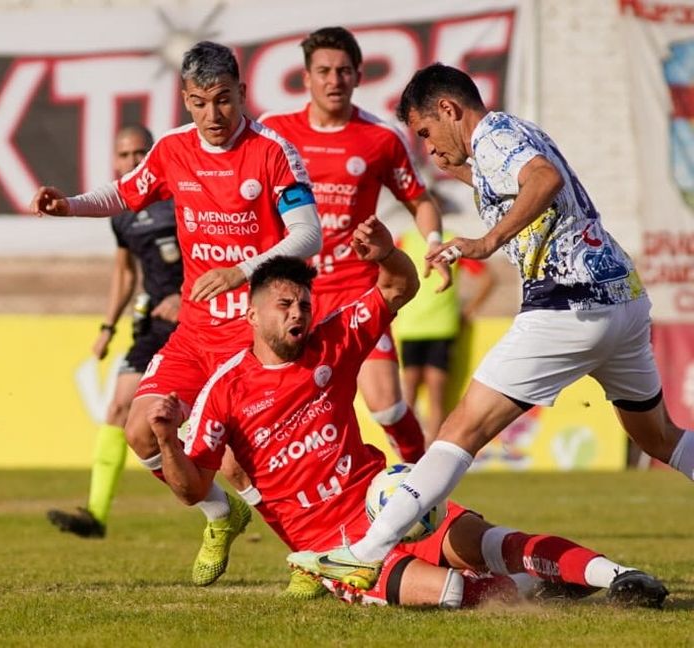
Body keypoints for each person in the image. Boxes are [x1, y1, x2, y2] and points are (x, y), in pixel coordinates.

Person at [288, 64, 689, 609]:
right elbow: (517, 179)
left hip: (568, 305)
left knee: (460, 430)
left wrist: (484, 241)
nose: (428, 144)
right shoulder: (506, 137)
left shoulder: (494, 135)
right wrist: (458, 170)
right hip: (621, 299)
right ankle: (370, 548)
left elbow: (542, 179)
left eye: (427, 131)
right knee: (659, 437)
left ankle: (367, 551)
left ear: (450, 110)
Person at [148, 234, 669, 608]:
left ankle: (620, 575)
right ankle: (536, 587)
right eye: (284, 304)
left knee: (492, 542)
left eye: (303, 303)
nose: (298, 314)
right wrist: (168, 440)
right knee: (452, 591)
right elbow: (192, 488)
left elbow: (398, 288)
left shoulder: (331, 338)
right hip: (335, 548)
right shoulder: (226, 389)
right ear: (253, 316)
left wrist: (388, 254)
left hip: (384, 496)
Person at [30, 41, 323, 585]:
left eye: (223, 100)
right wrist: (68, 204)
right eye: (198, 103)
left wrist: (242, 271)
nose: (212, 116)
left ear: (241, 92)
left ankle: (309, 553)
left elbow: (308, 234)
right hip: (194, 334)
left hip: (254, 336)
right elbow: (123, 194)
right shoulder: (172, 149)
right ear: (184, 100)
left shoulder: (273, 151)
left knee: (241, 459)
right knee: (140, 430)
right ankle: (221, 513)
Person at [260, 27, 447, 464]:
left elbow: (420, 201)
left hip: (356, 291)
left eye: (343, 71)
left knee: (385, 403)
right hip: (293, 295)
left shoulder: (380, 138)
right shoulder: (273, 133)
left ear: (359, 76)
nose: (334, 79)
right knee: (289, 410)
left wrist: (434, 242)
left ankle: (423, 487)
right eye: (323, 70)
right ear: (305, 78)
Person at [47, 125, 182, 538]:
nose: (133, 162)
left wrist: (186, 298)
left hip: (201, 318)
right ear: (114, 160)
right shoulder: (121, 213)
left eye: (141, 153)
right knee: (118, 410)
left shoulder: (180, 197)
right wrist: (107, 327)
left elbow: (213, 249)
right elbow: (124, 272)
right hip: (153, 325)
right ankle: (96, 513)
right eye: (124, 155)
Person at [396, 222, 495, 442]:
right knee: (429, 395)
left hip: (427, 327)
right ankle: (419, 448)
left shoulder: (407, 240)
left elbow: (488, 278)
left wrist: (469, 309)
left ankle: (416, 449)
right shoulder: (445, 239)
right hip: (426, 327)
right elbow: (488, 278)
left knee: (421, 394)